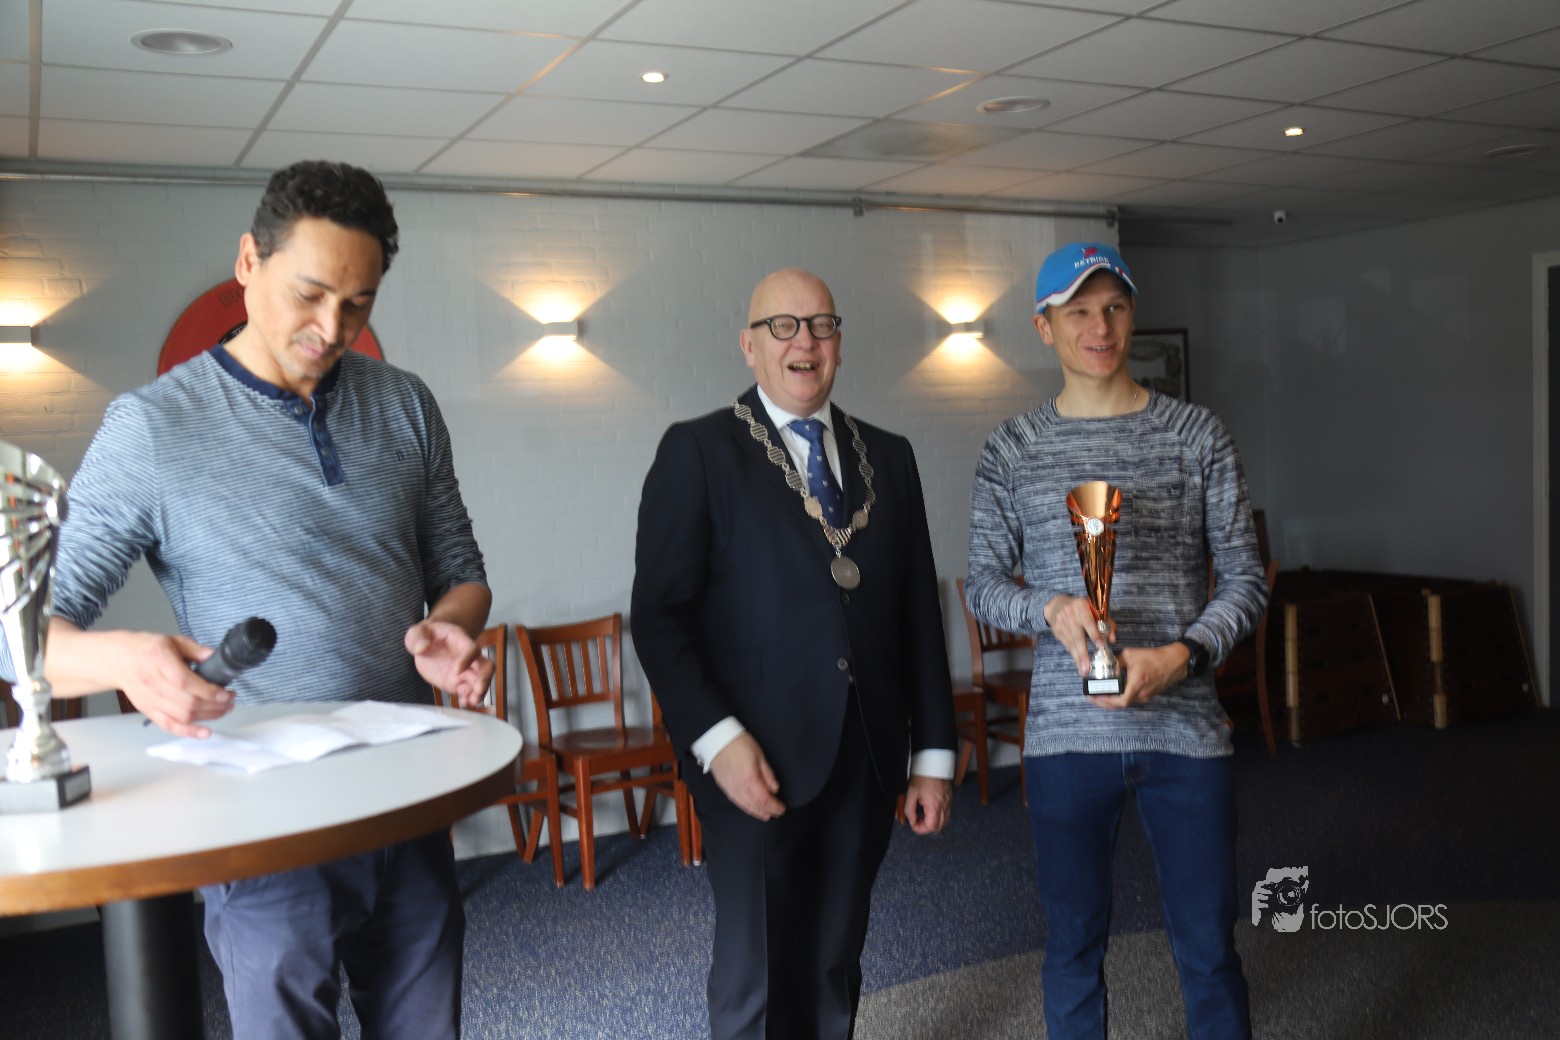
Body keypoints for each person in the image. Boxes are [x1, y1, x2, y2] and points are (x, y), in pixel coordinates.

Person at [0, 160, 493, 1040]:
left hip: (405, 792)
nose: (331, 327)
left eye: (358, 303)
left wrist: (451, 628)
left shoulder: (405, 405)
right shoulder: (152, 428)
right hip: (264, 822)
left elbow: (461, 570)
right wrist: (128, 659)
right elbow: (24, 637)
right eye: (310, 294)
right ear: (247, 263)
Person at [631, 268, 957, 1040]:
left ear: (838, 344)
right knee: (759, 970)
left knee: (834, 959)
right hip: (755, 760)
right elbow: (658, 619)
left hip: (867, 753)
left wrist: (934, 755)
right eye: (783, 325)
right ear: (749, 346)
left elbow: (918, 612)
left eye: (821, 325)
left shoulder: (890, 456)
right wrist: (719, 741)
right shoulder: (699, 450)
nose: (803, 341)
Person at [964, 242, 1266, 1040]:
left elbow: (1245, 579)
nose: (1099, 328)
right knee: (1072, 948)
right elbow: (983, 585)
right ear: (1044, 327)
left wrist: (1182, 656)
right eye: (1078, 312)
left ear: (1132, 315)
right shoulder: (1012, 448)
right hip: (1066, 739)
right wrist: (1051, 608)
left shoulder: (1196, 435)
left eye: (1115, 307)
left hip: (1185, 731)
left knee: (1209, 949)